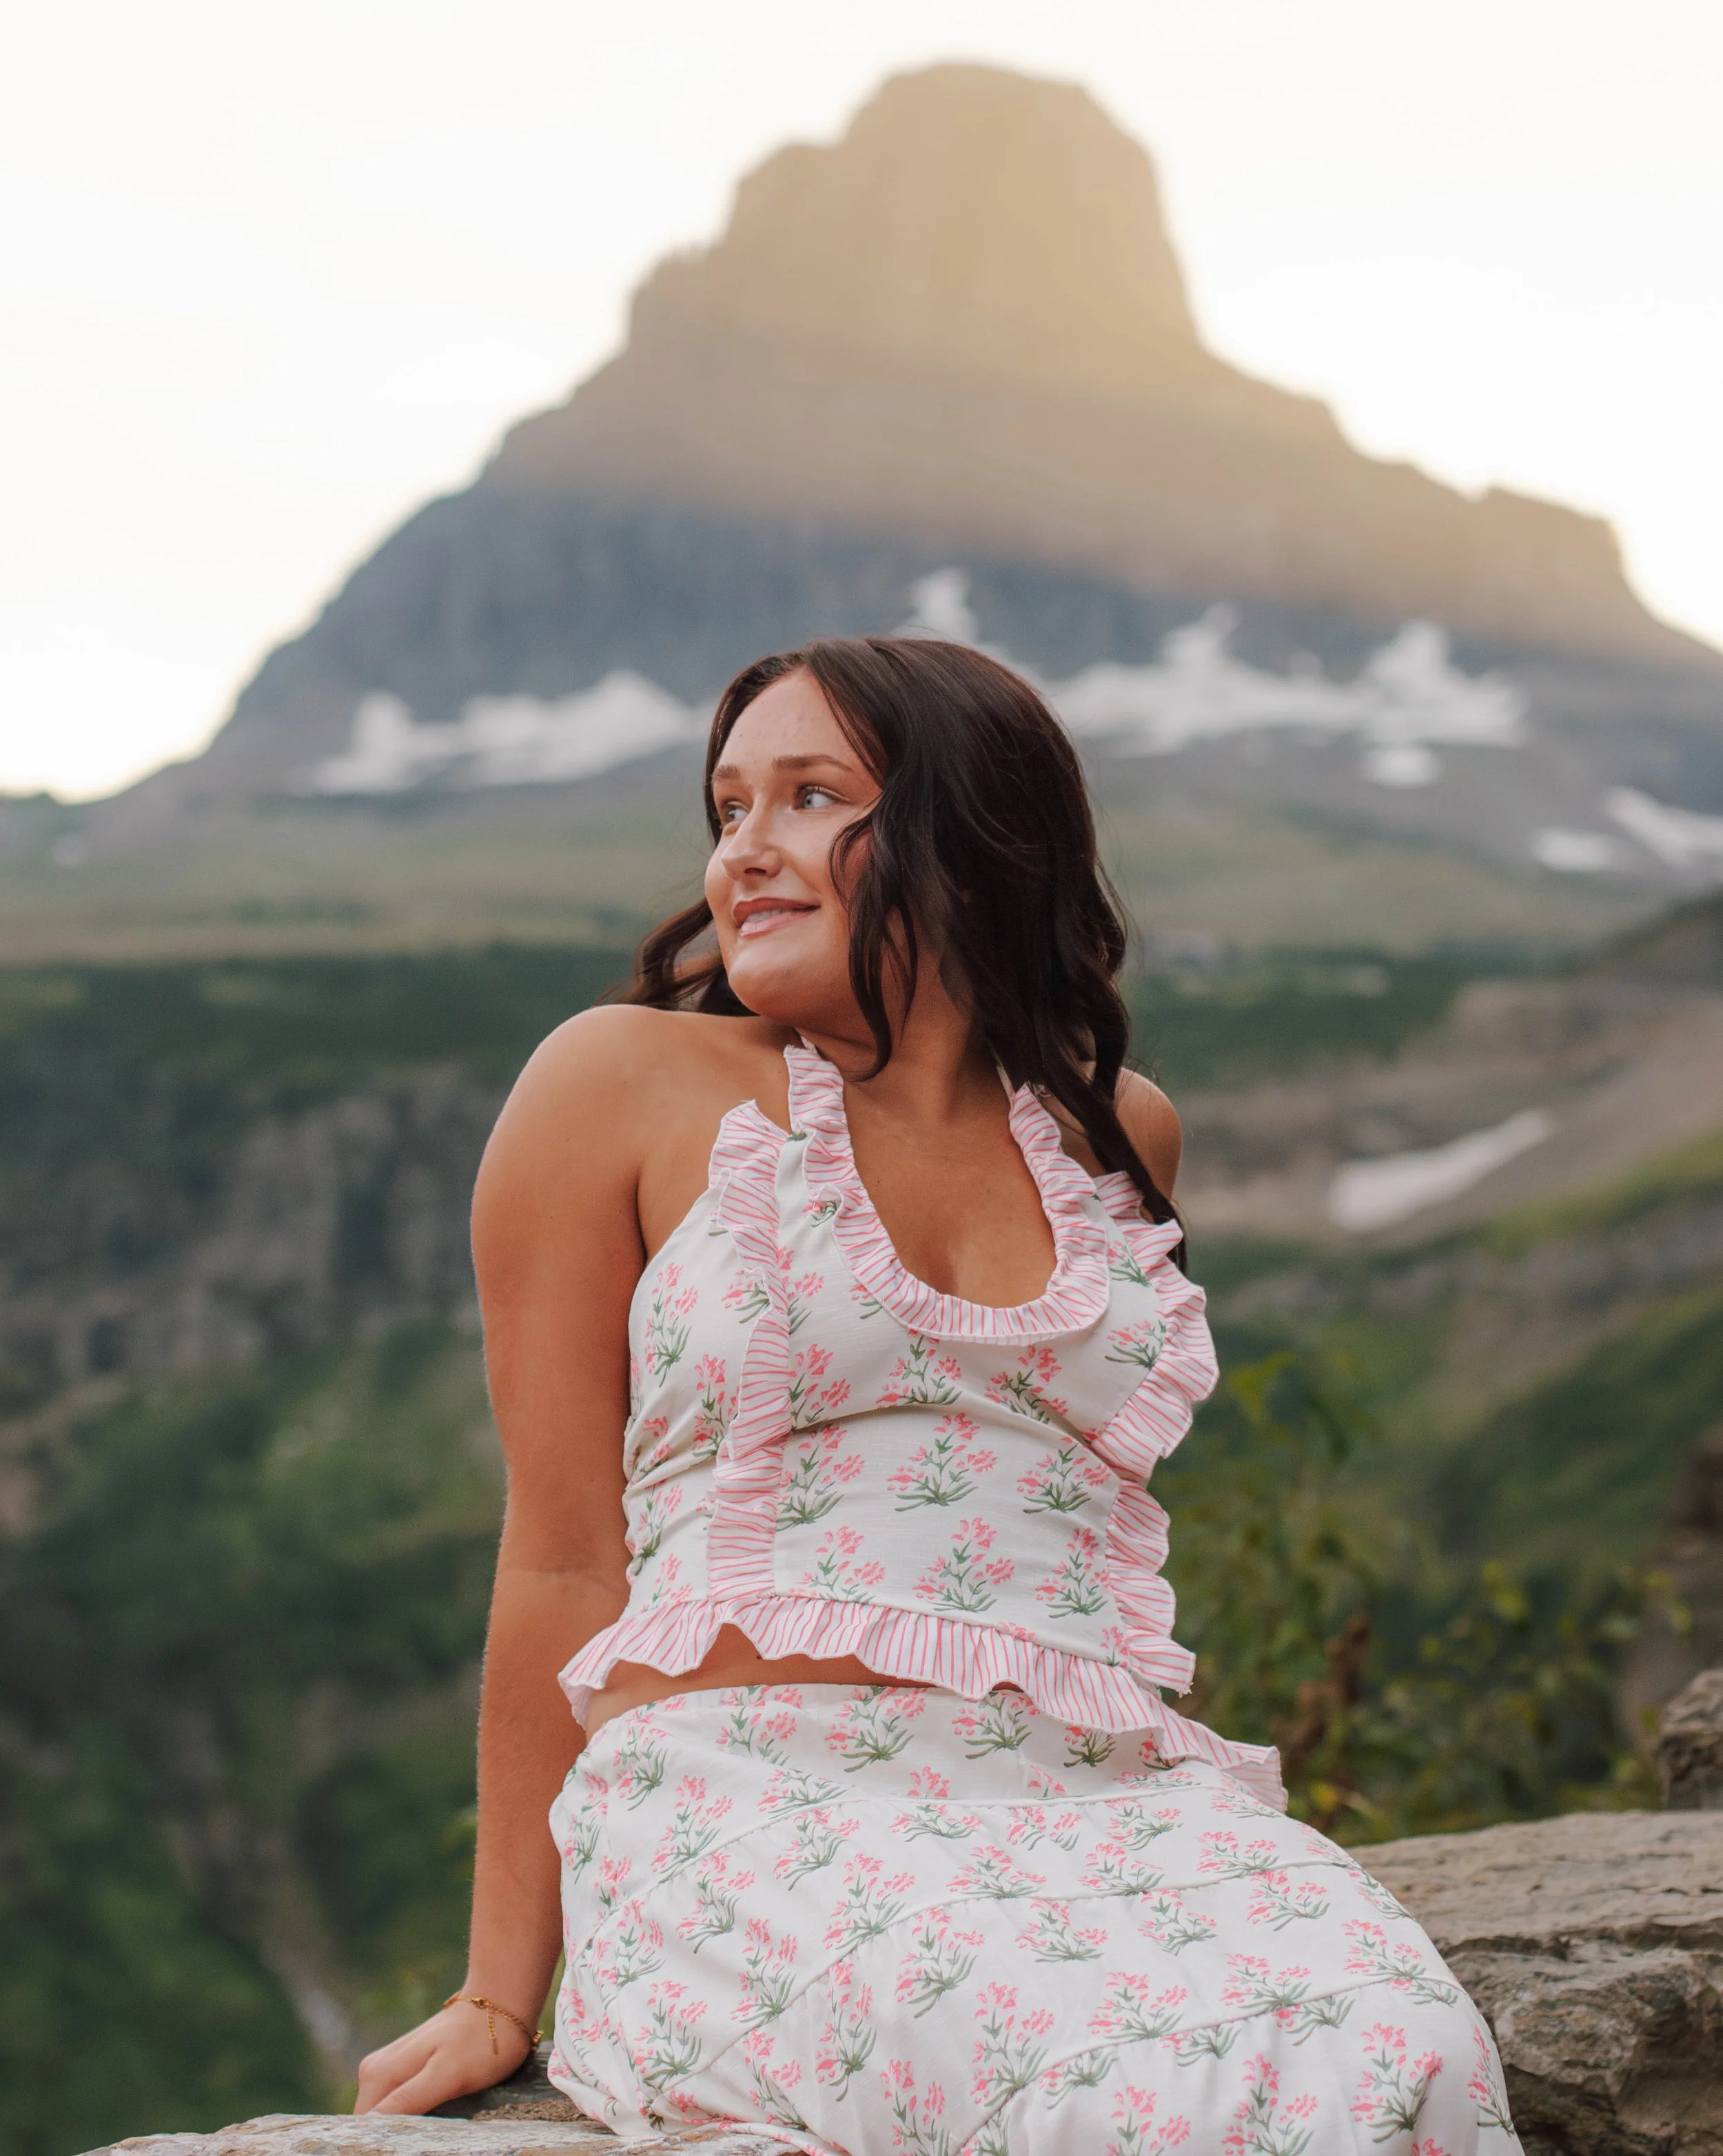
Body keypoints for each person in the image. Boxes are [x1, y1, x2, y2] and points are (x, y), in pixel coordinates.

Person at [356, 636, 1520, 2154]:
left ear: (971, 835)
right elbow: (565, 1557)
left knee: (1412, 2055)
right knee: (1121, 2095)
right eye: (727, 808)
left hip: (1102, 1799)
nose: (743, 851)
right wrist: (497, 1993)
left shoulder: (1116, 1132)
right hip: (749, 1807)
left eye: (809, 796)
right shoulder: (616, 1083)